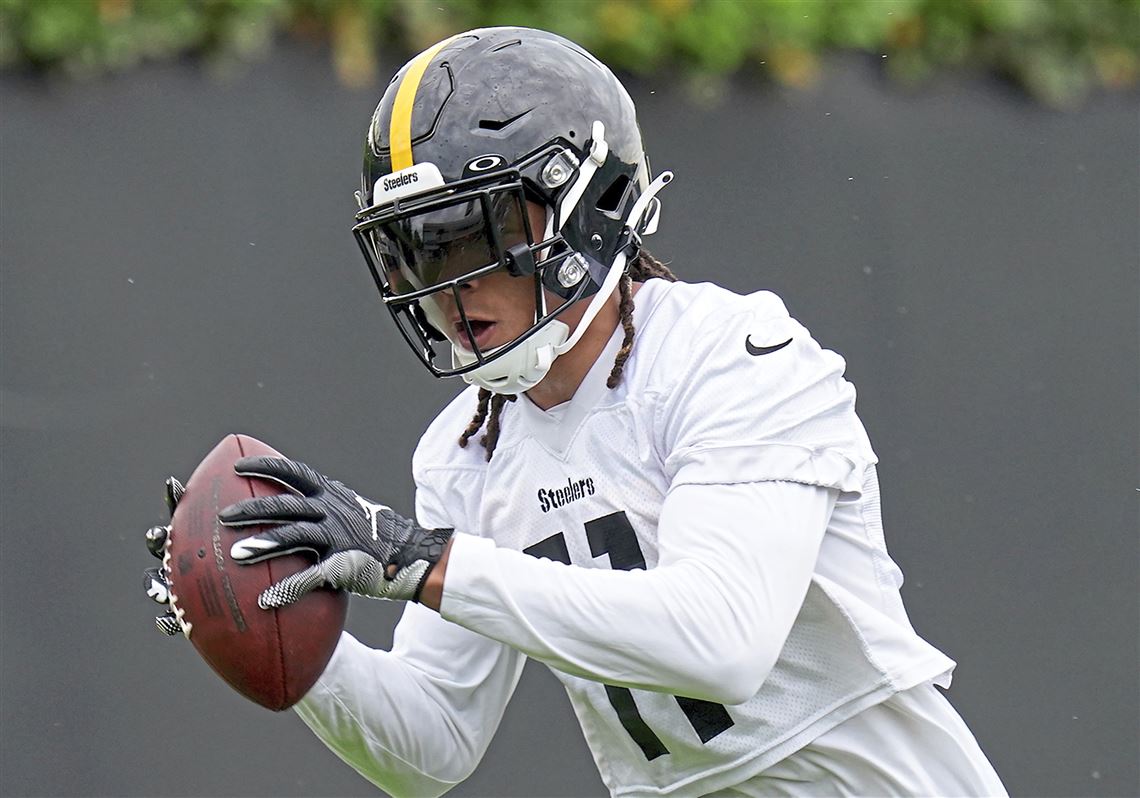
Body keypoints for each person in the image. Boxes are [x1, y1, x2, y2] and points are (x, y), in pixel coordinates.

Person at [144, 26, 1007, 797]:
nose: (443, 287)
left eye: (471, 235)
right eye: (412, 251)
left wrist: (422, 562)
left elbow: (723, 642)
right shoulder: (465, 450)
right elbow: (431, 745)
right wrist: (276, 622)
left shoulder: (731, 356)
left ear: (585, 212)